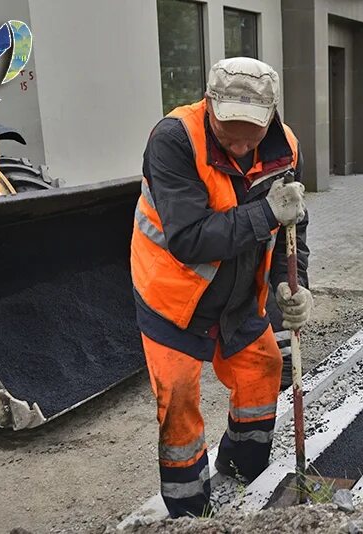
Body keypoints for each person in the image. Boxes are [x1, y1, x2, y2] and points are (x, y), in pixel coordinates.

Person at [130, 57, 312, 518]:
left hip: (238, 295)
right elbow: (189, 238)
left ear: (271, 116)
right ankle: (190, 511)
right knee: (179, 397)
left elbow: (293, 228)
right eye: (228, 125)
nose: (239, 140)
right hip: (173, 296)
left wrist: (294, 286)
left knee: (264, 368)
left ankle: (244, 472)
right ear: (209, 105)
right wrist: (267, 214)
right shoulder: (174, 140)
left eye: (251, 129)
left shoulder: (285, 148)